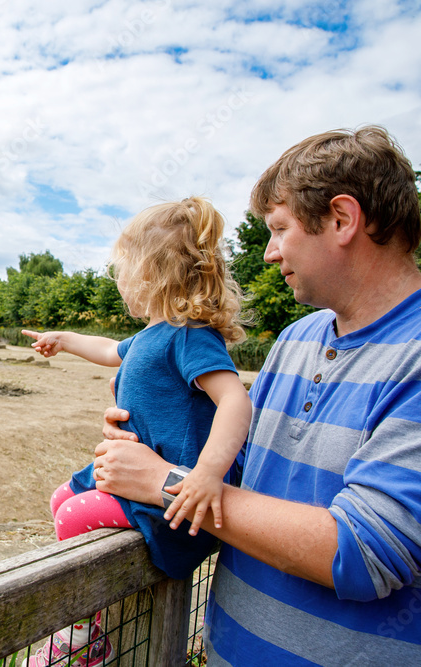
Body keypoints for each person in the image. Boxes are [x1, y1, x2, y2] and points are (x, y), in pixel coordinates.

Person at [92, 125, 421, 665]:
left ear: (342, 219)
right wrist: (154, 428)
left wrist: (162, 482)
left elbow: (365, 554)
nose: (268, 253)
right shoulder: (297, 339)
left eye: (279, 229)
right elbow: (238, 469)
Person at [19, 196, 253, 667]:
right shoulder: (152, 334)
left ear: (151, 273)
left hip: (166, 490)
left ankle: (84, 639)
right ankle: (96, 617)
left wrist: (205, 474)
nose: (118, 279)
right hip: (133, 471)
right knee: (59, 498)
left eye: (121, 267)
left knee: (71, 517)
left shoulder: (189, 335)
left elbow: (235, 400)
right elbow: (109, 351)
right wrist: (63, 341)